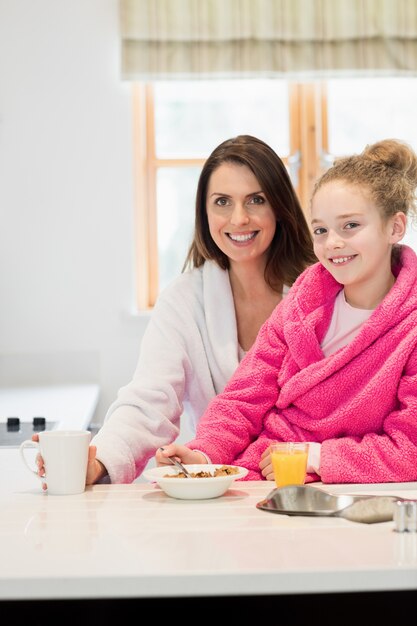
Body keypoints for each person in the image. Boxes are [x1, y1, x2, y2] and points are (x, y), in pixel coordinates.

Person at [33, 135, 315, 487]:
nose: (239, 218)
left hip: (304, 485)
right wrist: (98, 459)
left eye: (256, 200)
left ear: (279, 206)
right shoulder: (183, 300)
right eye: (222, 202)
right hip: (216, 488)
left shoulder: (320, 292)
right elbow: (149, 401)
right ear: (204, 211)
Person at [157, 138, 417, 485]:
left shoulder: (409, 326)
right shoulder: (303, 302)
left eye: (350, 225)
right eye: (321, 230)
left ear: (395, 227)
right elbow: (245, 395)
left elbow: (410, 449)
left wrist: (317, 456)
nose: (333, 243)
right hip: (264, 476)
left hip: (342, 491)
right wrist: (204, 453)